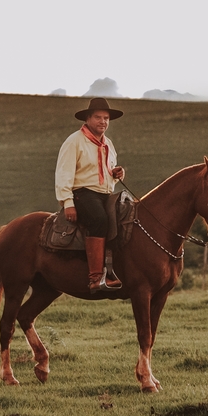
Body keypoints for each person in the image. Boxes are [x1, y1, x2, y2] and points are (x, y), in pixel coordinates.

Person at [55, 97, 125, 292]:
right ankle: (95, 277)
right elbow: (64, 172)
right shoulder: (74, 141)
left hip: (105, 193)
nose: (103, 122)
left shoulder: (108, 144)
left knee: (125, 219)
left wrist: (116, 174)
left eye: (106, 118)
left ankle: (114, 269)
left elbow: (106, 172)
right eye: (98, 117)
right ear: (87, 118)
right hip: (83, 193)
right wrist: (67, 202)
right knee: (99, 219)